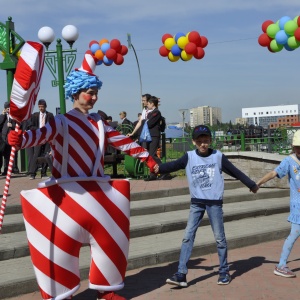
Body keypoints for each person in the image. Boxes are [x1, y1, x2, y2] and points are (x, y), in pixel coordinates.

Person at [8, 52, 156, 300]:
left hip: (98, 196)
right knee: (58, 249)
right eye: (90, 92)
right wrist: (21, 139)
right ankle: (60, 292)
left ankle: (106, 290)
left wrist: (147, 157)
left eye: (96, 92)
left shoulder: (100, 124)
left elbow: (122, 142)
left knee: (109, 244)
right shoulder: (61, 122)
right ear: (76, 93)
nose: (95, 97)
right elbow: (39, 136)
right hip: (65, 197)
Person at [153, 125, 259, 286]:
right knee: (188, 236)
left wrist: (251, 184)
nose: (203, 144)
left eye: (206, 141)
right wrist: (159, 168)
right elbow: (173, 165)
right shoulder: (188, 157)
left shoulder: (218, 156)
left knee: (219, 238)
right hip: (197, 203)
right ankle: (181, 274)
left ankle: (224, 272)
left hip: (214, 204)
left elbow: (235, 171)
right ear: (194, 142)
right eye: (200, 141)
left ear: (210, 140)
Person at [256, 129, 300, 278]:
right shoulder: (289, 161)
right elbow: (274, 173)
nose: (299, 150)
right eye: (297, 147)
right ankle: (281, 265)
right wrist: (259, 183)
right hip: (298, 206)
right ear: (293, 147)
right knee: (294, 234)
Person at [143, 96, 171, 181]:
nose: (147, 105)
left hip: (154, 136)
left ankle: (165, 172)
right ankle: (153, 174)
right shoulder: (150, 112)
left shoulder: (156, 112)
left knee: (152, 155)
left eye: (148, 104)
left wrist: (145, 122)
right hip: (149, 135)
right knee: (150, 155)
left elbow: (150, 123)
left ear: (152, 104)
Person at [26, 99, 54, 179]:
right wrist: (39, 129)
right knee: (36, 154)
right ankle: (32, 173)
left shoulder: (50, 115)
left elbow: (53, 126)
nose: (41, 108)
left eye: (42, 107)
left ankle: (43, 173)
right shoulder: (35, 115)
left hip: (47, 137)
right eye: (39, 107)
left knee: (46, 154)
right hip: (38, 138)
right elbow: (31, 126)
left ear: (45, 107)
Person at [0, 101, 19, 175]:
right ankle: (5, 169)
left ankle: (12, 169)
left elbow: (18, 126)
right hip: (3, 138)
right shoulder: (3, 116)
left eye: (9, 108)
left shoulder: (14, 117)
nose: (8, 110)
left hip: (11, 137)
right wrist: (3, 114)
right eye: (7, 109)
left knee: (10, 154)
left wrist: (12, 126)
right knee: (4, 155)